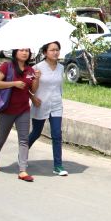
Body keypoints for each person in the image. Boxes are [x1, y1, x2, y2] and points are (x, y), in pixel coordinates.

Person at [0, 48, 40, 182]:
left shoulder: (30, 70)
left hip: (23, 109)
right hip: (7, 109)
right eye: (21, 50)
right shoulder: (7, 66)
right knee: (2, 137)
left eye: (27, 51)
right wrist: (14, 83)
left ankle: (22, 170)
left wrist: (37, 78)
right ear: (15, 52)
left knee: (24, 139)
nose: (24, 53)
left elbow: (32, 89)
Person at [28, 41, 67, 176]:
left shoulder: (61, 68)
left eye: (57, 50)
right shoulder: (37, 68)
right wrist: (33, 97)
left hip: (56, 105)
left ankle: (58, 166)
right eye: (52, 50)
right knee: (36, 133)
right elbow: (30, 88)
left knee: (57, 135)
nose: (55, 52)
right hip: (41, 104)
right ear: (45, 53)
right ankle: (23, 153)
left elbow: (59, 87)